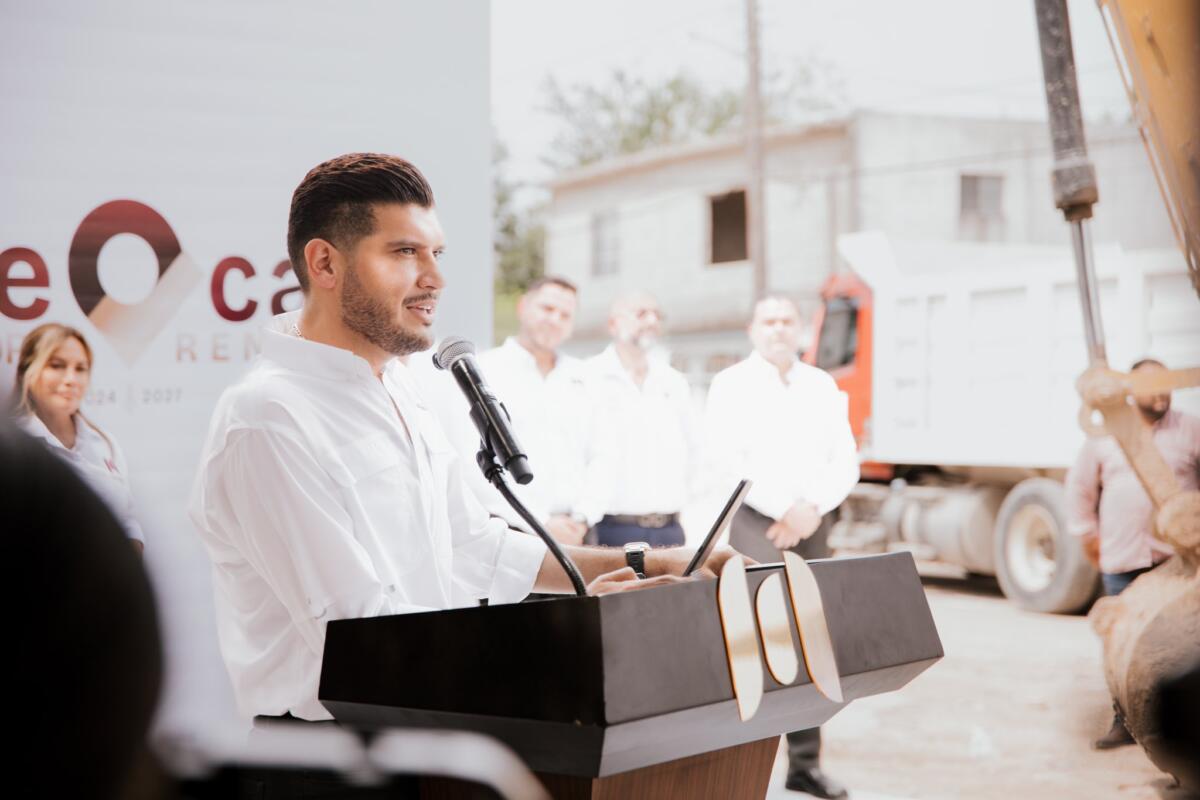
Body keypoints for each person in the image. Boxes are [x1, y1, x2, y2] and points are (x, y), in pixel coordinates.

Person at [189, 153, 739, 723]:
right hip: (329, 760)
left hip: (432, 723)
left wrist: (659, 564)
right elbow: (359, 634)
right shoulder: (267, 419)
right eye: (405, 252)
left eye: (436, 254)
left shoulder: (403, 389)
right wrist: (570, 634)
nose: (435, 278)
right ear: (325, 263)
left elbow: (477, 547)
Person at [704, 296, 859, 800]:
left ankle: (805, 765)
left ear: (801, 329)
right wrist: (781, 510)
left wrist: (811, 507)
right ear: (752, 329)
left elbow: (845, 460)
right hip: (755, 523)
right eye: (768, 321)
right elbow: (726, 457)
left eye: (786, 321)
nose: (777, 329)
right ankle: (744, 769)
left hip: (812, 525)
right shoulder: (731, 385)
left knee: (812, 643)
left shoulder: (822, 385)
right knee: (754, 643)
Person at [1066, 356, 1200, 750]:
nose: (1161, 393)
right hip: (1123, 558)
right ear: (1129, 390)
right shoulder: (1104, 437)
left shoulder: (1190, 429)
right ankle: (1122, 721)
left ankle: (1177, 727)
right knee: (1118, 642)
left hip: (1174, 564)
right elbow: (1080, 493)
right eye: (1151, 385)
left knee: (1180, 645)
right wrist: (1091, 539)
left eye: (1167, 385)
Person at [430, 276, 610, 544]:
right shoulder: (482, 372)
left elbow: (604, 454)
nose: (555, 320)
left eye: (565, 315)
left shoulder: (586, 378)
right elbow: (469, 460)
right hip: (512, 532)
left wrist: (583, 517)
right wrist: (541, 521)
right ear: (523, 306)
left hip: (580, 534)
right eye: (547, 309)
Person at [11, 323, 146, 553]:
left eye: (81, 368)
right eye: (57, 366)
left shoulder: (104, 443)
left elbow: (128, 519)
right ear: (28, 371)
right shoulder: (13, 449)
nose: (71, 379)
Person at [583, 290, 698, 548]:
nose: (652, 321)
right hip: (610, 531)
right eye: (641, 313)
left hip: (670, 531)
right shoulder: (588, 378)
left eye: (657, 315)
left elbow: (695, 449)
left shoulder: (673, 382)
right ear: (613, 324)